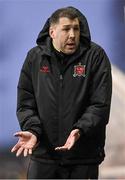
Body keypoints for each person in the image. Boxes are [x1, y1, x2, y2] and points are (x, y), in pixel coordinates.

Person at [11, 6, 112, 179]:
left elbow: (100, 104)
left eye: (76, 29)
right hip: (44, 157)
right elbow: (25, 102)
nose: (72, 34)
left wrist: (80, 129)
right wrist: (33, 130)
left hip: (83, 158)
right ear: (52, 32)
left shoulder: (96, 56)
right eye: (66, 29)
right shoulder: (34, 58)